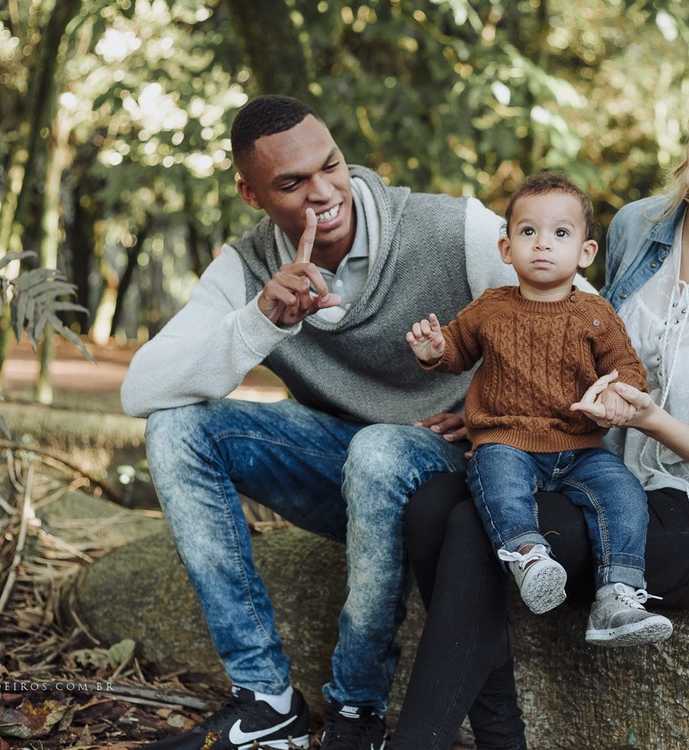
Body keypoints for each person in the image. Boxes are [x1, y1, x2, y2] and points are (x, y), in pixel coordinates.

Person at [388, 50, 689, 750]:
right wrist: (519, 410)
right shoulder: (642, 225)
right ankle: (500, 736)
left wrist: (656, 421)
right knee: (431, 507)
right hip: (602, 467)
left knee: (471, 530)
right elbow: (589, 348)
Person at [121, 94, 523, 750]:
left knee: (379, 452)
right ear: (251, 194)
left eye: (330, 166)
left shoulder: (454, 230)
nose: (323, 192)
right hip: (346, 468)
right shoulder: (247, 266)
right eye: (292, 183)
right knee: (176, 428)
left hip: (448, 471)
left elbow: (580, 321)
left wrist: (495, 417)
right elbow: (141, 388)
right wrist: (258, 321)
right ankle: (266, 701)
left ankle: (356, 714)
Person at [405, 172, 673, 646]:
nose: (543, 244)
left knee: (624, 493)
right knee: (496, 478)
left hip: (580, 447)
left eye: (560, 233)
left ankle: (618, 594)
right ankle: (530, 556)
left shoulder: (595, 314)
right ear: (506, 249)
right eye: (528, 232)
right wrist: (432, 350)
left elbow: (628, 370)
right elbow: (455, 350)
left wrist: (614, 396)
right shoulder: (490, 308)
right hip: (509, 442)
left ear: (585, 253)